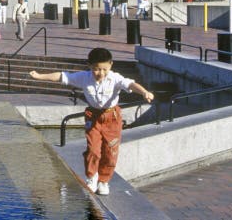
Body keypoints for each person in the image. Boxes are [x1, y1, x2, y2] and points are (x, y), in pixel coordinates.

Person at [28, 48, 154, 196]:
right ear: (89, 66)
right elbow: (62, 76)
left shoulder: (115, 78)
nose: (100, 73)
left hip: (111, 117)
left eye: (104, 69)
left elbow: (131, 84)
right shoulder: (84, 77)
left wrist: (144, 92)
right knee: (93, 149)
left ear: (110, 65)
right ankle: (92, 176)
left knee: (110, 151)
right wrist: (39, 76)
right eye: (96, 69)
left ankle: (104, 181)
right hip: (93, 116)